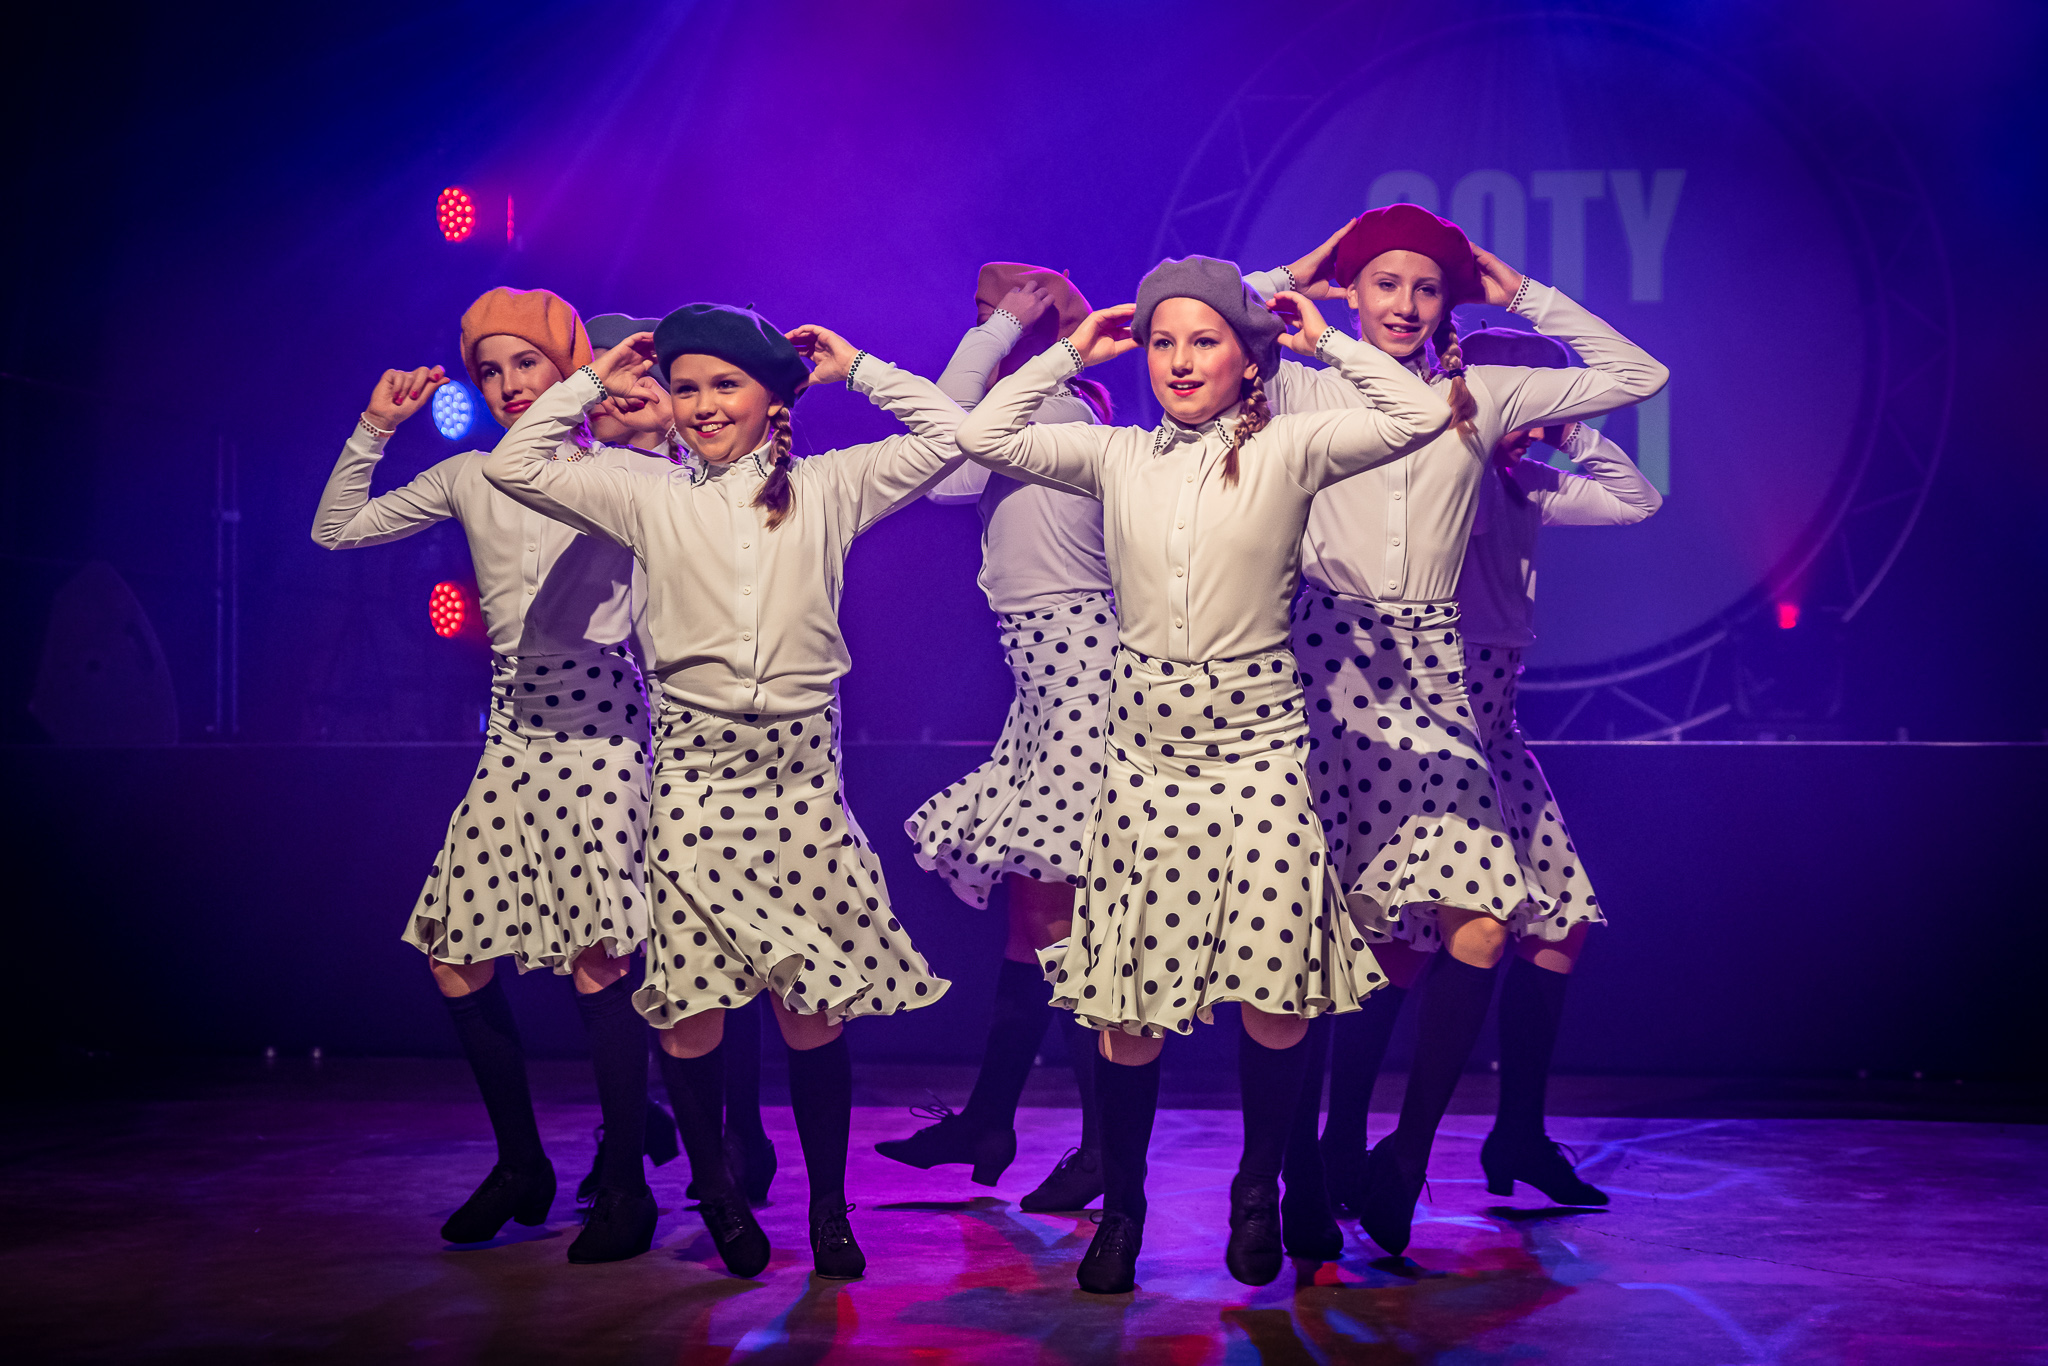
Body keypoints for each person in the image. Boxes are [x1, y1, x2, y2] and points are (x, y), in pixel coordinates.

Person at [957, 255, 1450, 1294]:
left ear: (1245, 357)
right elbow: (981, 436)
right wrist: (1065, 351)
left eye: (1203, 340)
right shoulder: (1116, 454)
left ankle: (1257, 1185)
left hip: (1260, 754)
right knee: (1125, 1006)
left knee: (1275, 991)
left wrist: (1325, 340)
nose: (1179, 361)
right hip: (1142, 760)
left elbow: (1416, 414)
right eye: (1161, 342)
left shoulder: (1289, 447)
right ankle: (1124, 1210)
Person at [480, 303, 963, 1280]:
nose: (702, 405)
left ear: (772, 398)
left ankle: (829, 1211)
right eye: (686, 386)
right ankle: (719, 1192)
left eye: (724, 385)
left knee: (810, 1012)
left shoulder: (829, 485)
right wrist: (590, 380)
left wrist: (861, 366)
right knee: (690, 1011)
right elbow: (513, 467)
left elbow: (957, 437)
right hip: (694, 787)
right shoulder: (646, 493)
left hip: (800, 787)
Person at [1242, 205, 1668, 1259]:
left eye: (1425, 287)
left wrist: (1516, 290)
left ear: (1448, 301)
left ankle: (1406, 1154)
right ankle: (1302, 1166)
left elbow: (1639, 374)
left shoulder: (1483, 393)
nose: (1404, 304)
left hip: (1436, 677)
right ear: (1351, 292)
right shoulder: (1301, 379)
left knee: (1479, 925)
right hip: (1322, 667)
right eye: (1383, 283)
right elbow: (1226, 308)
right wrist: (1313, 263)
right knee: (1326, 944)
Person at [309, 287, 662, 1263]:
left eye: (526, 364)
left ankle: (626, 1182)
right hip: (512, 734)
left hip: (602, 725)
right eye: (491, 370)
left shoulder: (626, 472)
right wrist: (376, 428)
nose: (507, 384)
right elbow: (337, 529)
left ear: (569, 366)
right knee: (453, 954)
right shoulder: (469, 474)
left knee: (600, 955)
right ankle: (520, 1164)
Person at [883, 264, 1115, 1211]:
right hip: (1045, 678)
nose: (993, 328)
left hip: (1081, 675)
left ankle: (1104, 1148)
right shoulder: (1029, 415)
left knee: (1060, 919)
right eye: (983, 315)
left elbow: (938, 460)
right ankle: (989, 1119)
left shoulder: (1050, 418)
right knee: (1032, 916)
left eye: (1009, 315)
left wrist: (995, 338)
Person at [1455, 326, 1662, 1205]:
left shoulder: (1528, 484)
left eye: (1546, 405)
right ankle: (1341, 1147)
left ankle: (1518, 1134)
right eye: (1530, 400)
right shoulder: (1440, 476)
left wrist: (1571, 434)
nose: (1533, 416)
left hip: (1498, 726)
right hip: (1431, 722)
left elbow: (1636, 500)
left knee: (1558, 923)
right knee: (1406, 945)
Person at [581, 312, 779, 1208]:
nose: (629, 396)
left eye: (645, 380)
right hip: (612, 725)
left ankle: (742, 1134)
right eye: (610, 381)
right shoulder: (593, 478)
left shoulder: (715, 477)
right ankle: (630, 1133)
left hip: (715, 735)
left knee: (725, 937)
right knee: (623, 945)